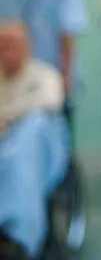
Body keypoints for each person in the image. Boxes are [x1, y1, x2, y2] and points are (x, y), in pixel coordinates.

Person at [0, 21, 69, 260]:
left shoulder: (44, 74)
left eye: (12, 45)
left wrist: (8, 117)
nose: (6, 51)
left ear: (26, 46)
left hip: (39, 149)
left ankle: (21, 237)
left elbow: (51, 101)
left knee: (33, 126)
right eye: (2, 46)